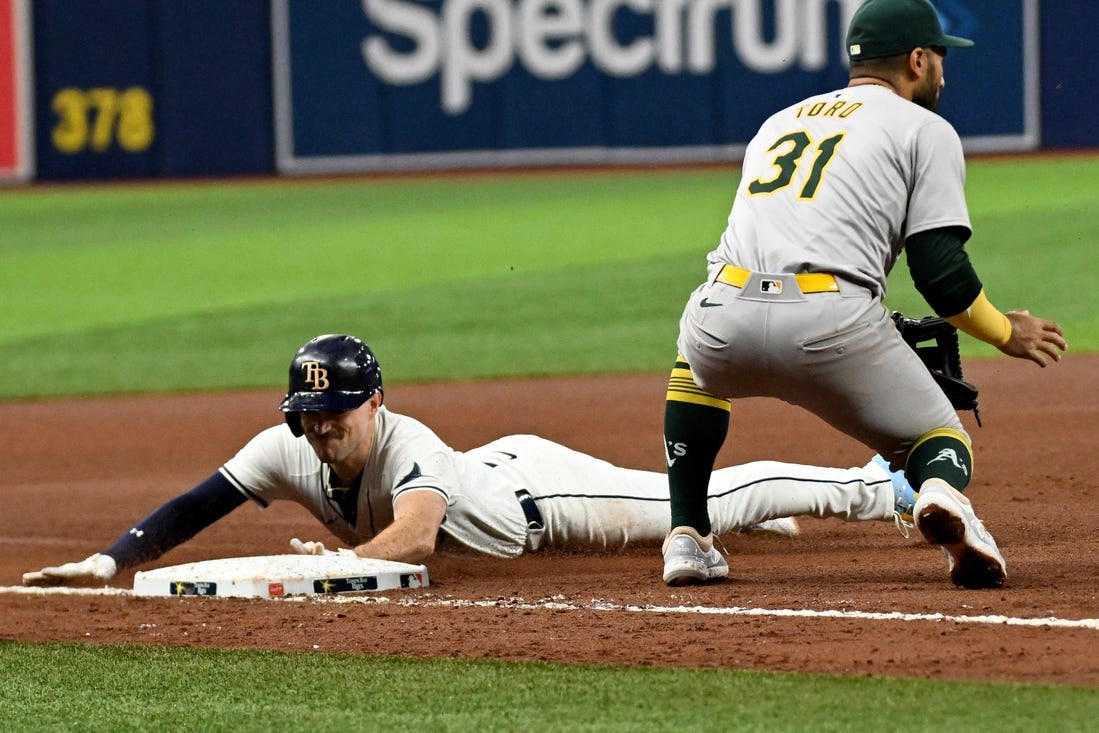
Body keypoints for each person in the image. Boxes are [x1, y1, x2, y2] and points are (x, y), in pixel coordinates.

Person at [660, 0, 1067, 589]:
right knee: (939, 437)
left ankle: (688, 538)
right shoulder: (926, 129)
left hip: (724, 314)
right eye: (941, 60)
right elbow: (942, 275)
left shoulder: (778, 122)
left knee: (692, 367)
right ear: (918, 59)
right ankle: (940, 494)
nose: (944, 74)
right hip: (830, 323)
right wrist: (1007, 331)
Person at [24, 333, 915, 587]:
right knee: (705, 508)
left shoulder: (406, 444)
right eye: (308, 414)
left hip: (540, 497)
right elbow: (196, 503)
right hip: (491, 473)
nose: (321, 429)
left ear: (373, 401)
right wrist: (111, 558)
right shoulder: (285, 447)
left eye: (336, 411)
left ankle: (877, 487)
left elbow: (412, 542)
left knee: (704, 504)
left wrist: (334, 565)